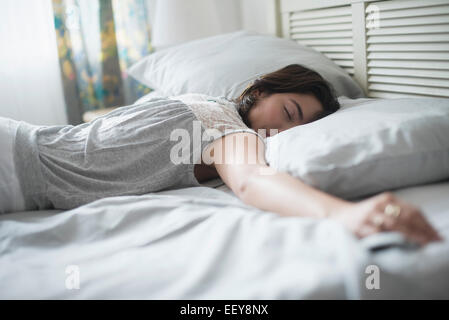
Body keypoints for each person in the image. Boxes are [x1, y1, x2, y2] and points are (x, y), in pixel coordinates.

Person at [0, 64, 441, 246]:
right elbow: (251, 180)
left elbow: (251, 176)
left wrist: (340, 215)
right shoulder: (222, 120)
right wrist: (343, 214)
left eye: (299, 129)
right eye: (289, 112)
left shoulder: (225, 124)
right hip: (17, 157)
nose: (283, 131)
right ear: (262, 89)